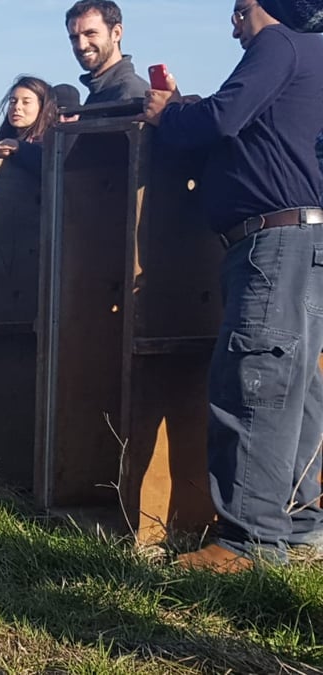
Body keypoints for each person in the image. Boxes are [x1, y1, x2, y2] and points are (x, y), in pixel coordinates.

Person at [142, 0, 323, 572]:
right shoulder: (312, 54)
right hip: (306, 239)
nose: (235, 25)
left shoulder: (280, 43)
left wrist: (168, 114)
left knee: (255, 382)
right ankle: (297, 526)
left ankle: (250, 543)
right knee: (296, 388)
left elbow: (221, 119)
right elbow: (246, 131)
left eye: (241, 10)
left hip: (273, 241)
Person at [66, 0, 149, 104]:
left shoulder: (130, 95)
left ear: (116, 34)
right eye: (74, 38)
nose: (81, 45)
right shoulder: (100, 93)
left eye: (90, 33)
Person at [0, 76, 59, 172]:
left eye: (26, 102)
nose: (17, 107)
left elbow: (50, 166)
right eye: (13, 101)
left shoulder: (54, 142)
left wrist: (20, 148)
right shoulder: (5, 139)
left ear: (42, 107)